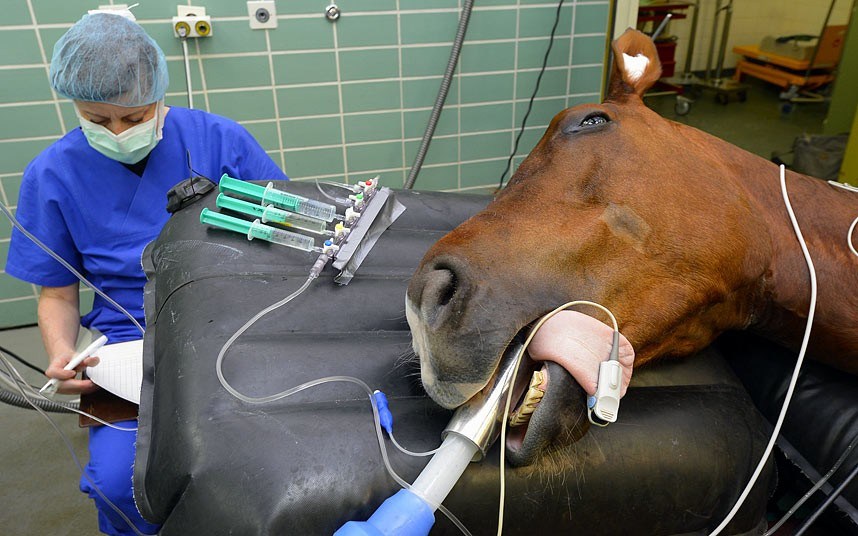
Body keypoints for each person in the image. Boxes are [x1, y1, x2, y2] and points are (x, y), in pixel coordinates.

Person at [4, 11, 287, 536]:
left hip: (233, 321)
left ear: (159, 95)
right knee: (121, 483)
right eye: (97, 119)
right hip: (129, 345)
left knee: (263, 458)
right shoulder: (52, 175)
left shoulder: (219, 141)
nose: (117, 132)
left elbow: (281, 239)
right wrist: (61, 354)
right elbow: (56, 292)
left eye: (133, 119)